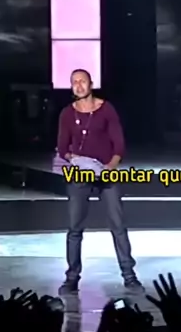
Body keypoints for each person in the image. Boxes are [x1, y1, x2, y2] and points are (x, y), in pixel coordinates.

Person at [57, 68, 142, 293]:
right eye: (74, 82)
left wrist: (109, 168)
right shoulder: (67, 114)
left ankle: (129, 275)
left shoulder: (106, 109)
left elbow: (119, 145)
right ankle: (72, 277)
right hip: (80, 173)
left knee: (118, 225)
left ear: (91, 84)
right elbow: (62, 148)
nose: (78, 86)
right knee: (74, 228)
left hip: (106, 171)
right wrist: (74, 159)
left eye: (82, 81)